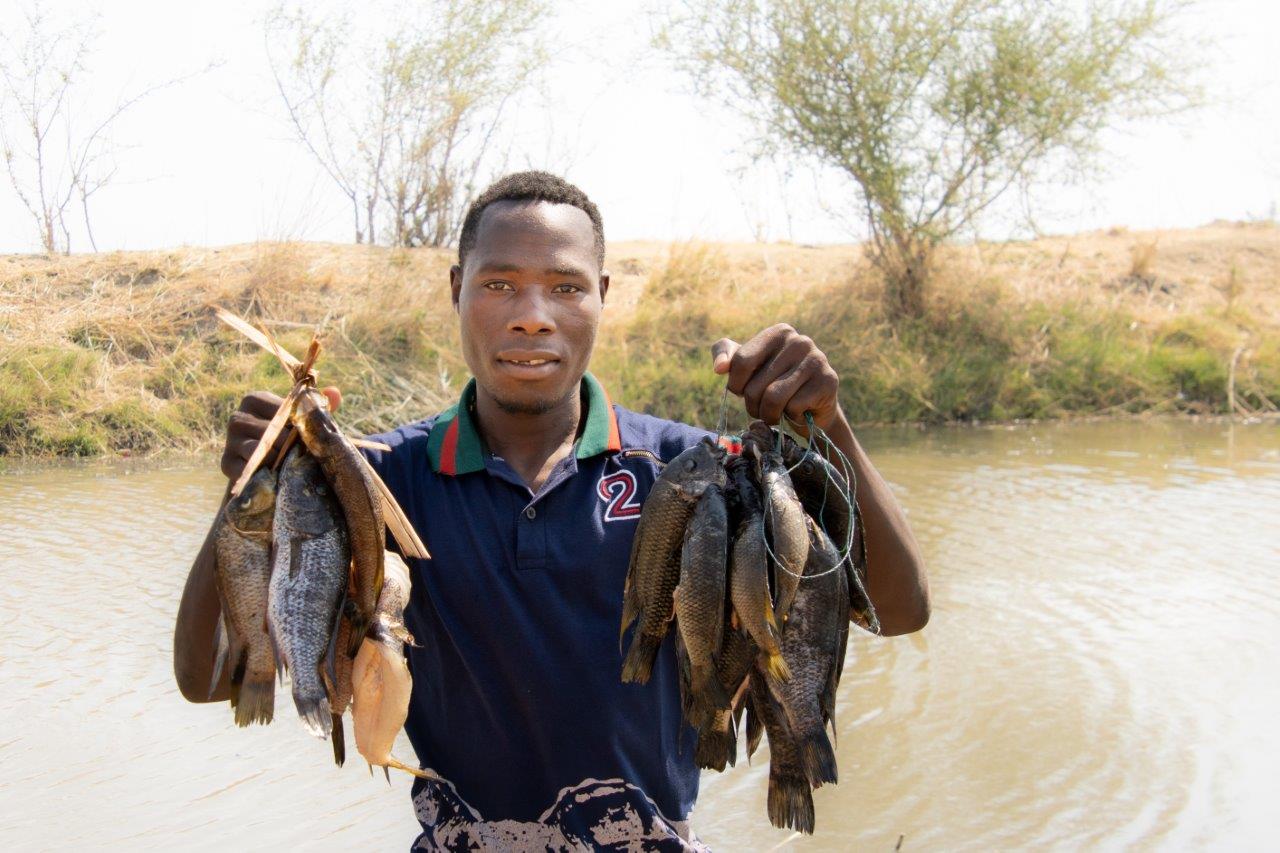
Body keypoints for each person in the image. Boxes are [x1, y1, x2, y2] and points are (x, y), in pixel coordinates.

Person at [173, 171, 929, 850]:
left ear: (603, 294)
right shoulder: (381, 485)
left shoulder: (695, 472)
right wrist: (255, 480)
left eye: (566, 287)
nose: (533, 315)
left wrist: (827, 425)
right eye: (499, 283)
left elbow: (898, 610)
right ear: (455, 290)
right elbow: (208, 678)